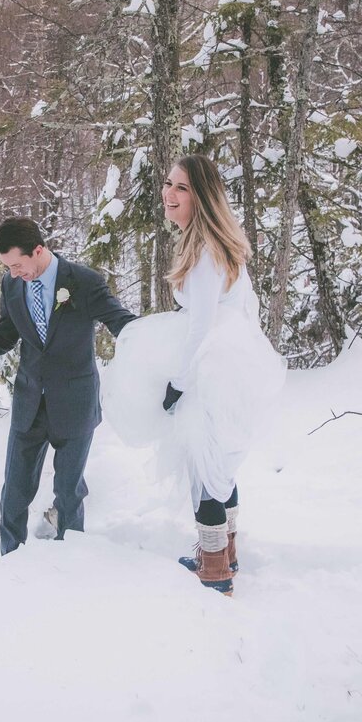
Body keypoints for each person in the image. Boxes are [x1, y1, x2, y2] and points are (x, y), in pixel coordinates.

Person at [104, 155, 284, 596]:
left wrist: (179, 384)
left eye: (181, 187)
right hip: (226, 363)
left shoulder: (205, 252)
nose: (169, 194)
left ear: (201, 196)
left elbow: (201, 326)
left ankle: (214, 568)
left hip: (210, 369)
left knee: (205, 467)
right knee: (218, 462)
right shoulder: (214, 245)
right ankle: (225, 551)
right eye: (168, 184)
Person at [0, 217, 136, 555]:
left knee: (68, 491)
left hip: (75, 402)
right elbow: (4, 334)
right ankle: (11, 560)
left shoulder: (84, 281)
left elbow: (121, 322)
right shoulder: (12, 284)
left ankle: (69, 560)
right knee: (15, 491)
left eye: (18, 264)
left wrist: (157, 345)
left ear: (38, 250)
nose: (14, 273)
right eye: (8, 267)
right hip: (29, 401)